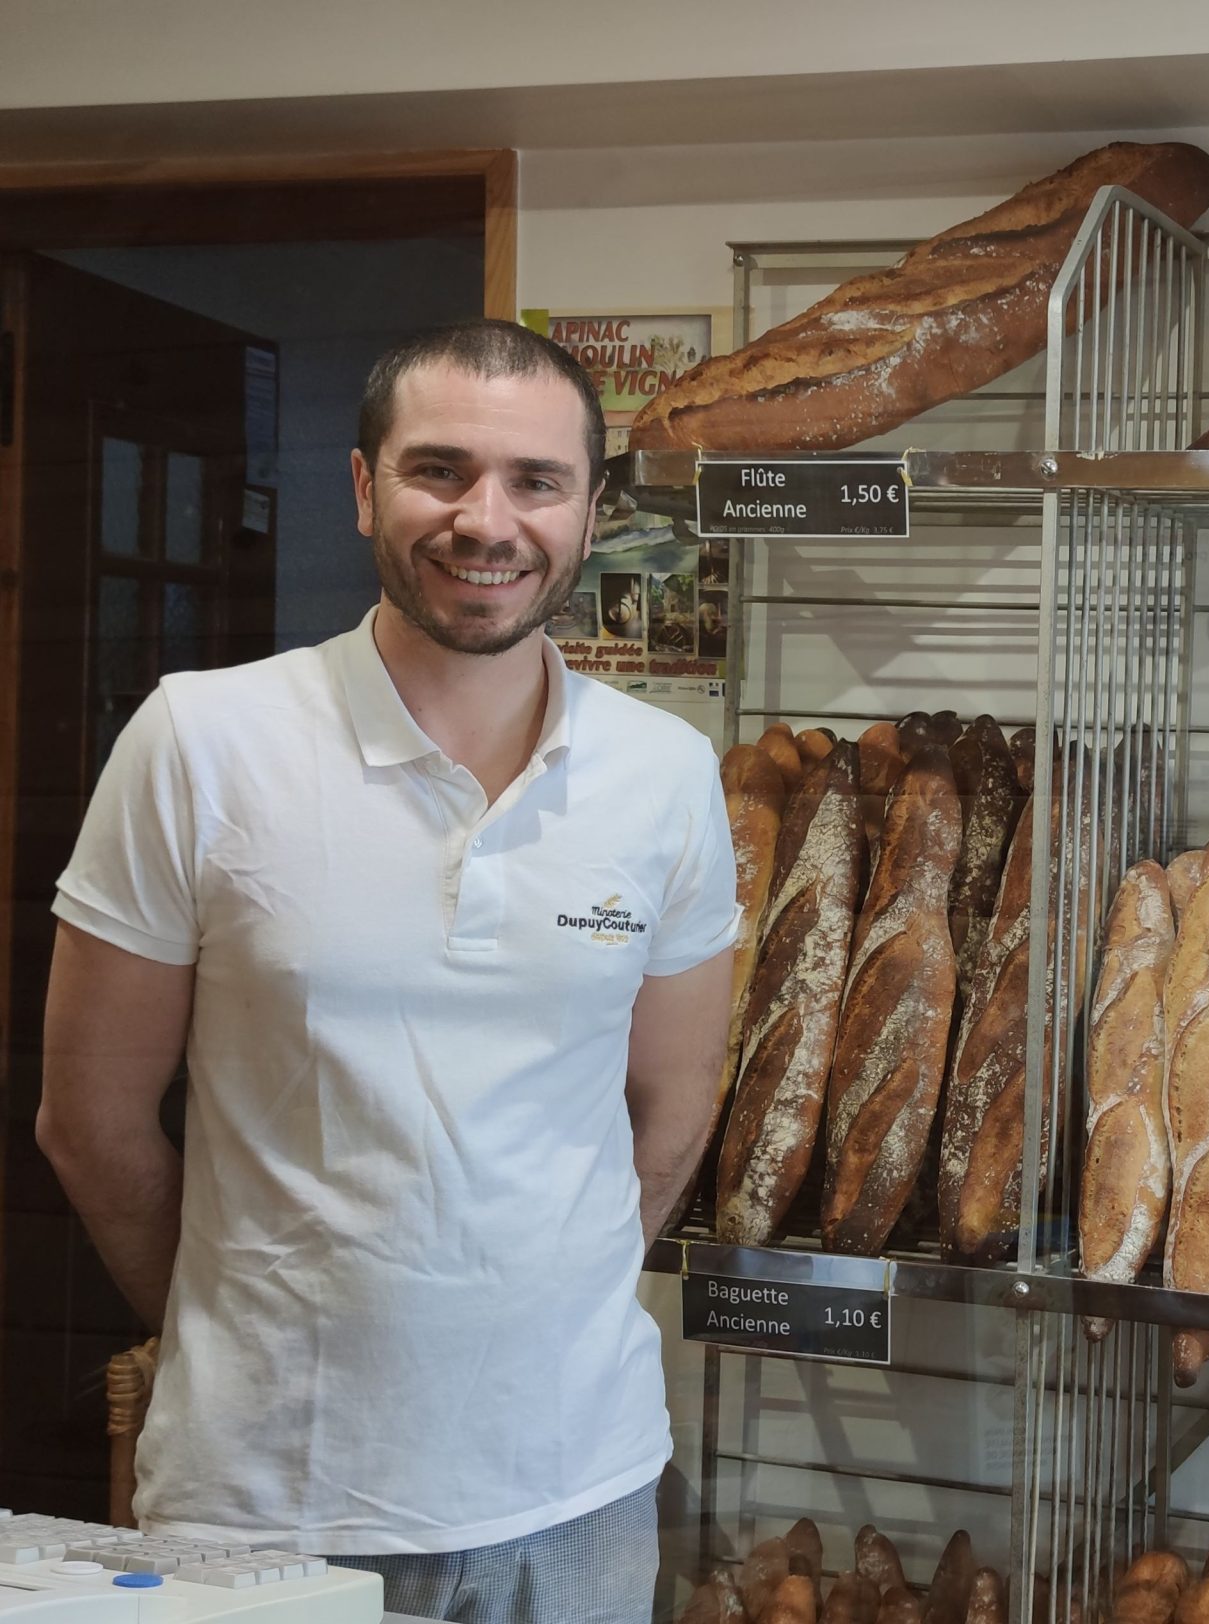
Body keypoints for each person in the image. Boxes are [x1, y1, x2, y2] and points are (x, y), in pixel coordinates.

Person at [37, 319, 738, 1623]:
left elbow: (674, 1104)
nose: (488, 520)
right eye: (440, 470)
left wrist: (535, 1304)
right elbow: (87, 1122)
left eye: (537, 481)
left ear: (591, 512)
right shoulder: (203, 741)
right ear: (365, 489)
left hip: (574, 1498)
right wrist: (239, 1327)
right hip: (265, 1510)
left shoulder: (665, 776)